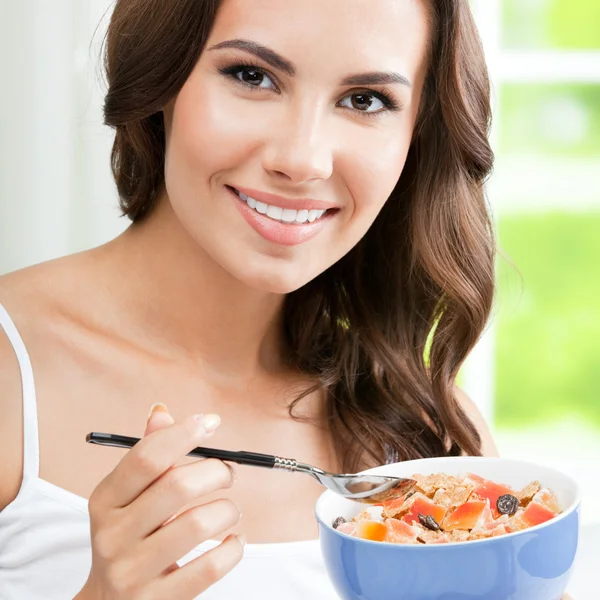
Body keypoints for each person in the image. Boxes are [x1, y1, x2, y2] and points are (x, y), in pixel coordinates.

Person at [0, 0, 574, 598]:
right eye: (252, 76)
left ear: (415, 137)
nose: (301, 160)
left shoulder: (427, 430)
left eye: (365, 100)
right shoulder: (12, 373)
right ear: (162, 79)